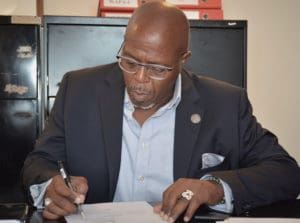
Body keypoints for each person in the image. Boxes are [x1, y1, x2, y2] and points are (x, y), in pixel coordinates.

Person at [22, 1, 300, 222]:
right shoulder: (79, 90)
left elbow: (286, 173)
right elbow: (39, 161)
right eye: (130, 61)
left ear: (183, 60)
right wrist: (49, 187)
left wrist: (215, 188)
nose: (139, 79)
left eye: (157, 69)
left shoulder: (225, 103)